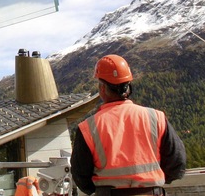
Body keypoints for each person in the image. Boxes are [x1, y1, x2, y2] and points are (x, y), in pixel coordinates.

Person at [70, 55, 186, 196]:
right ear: (128, 86)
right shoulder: (156, 117)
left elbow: (80, 176)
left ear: (102, 88)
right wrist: (151, 183)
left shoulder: (88, 128)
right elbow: (177, 163)